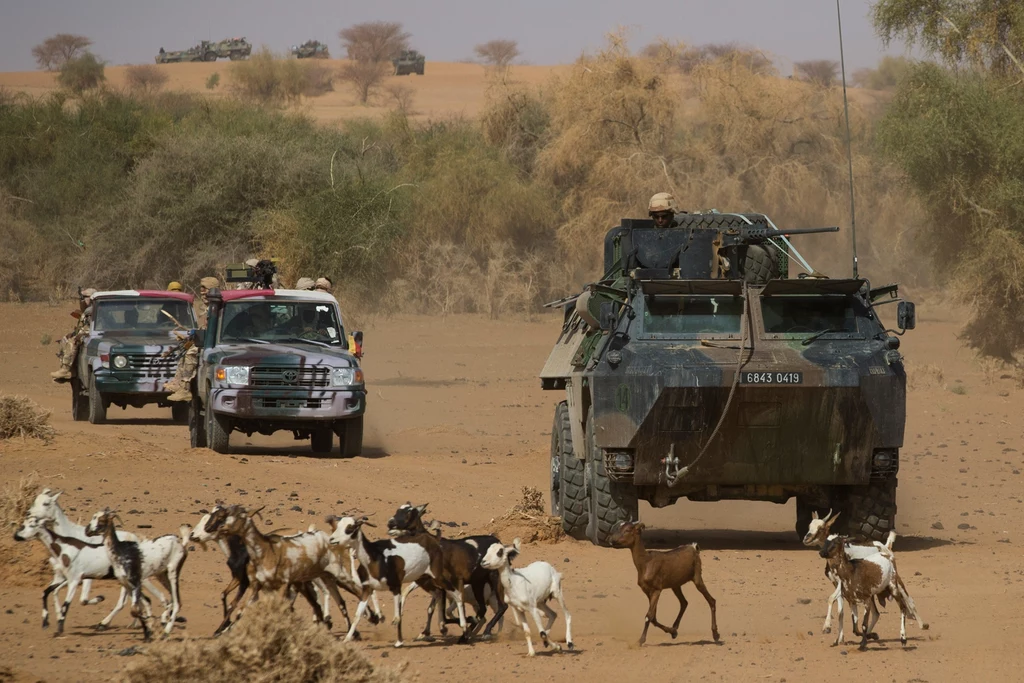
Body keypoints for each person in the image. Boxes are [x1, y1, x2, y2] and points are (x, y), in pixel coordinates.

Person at [165, 276, 219, 402]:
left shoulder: (217, 307)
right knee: (185, 348)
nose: (202, 292)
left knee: (190, 353)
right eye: (201, 288)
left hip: (213, 343)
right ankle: (178, 384)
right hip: (206, 339)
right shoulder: (207, 307)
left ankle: (185, 388)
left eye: (204, 289)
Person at [51, 288, 97, 382]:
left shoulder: (93, 310)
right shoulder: (88, 310)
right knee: (65, 339)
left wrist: (79, 335)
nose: (82, 300)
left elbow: (92, 326)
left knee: (72, 342)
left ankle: (66, 370)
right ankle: (69, 369)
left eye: (85, 297)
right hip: (87, 332)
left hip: (92, 334)